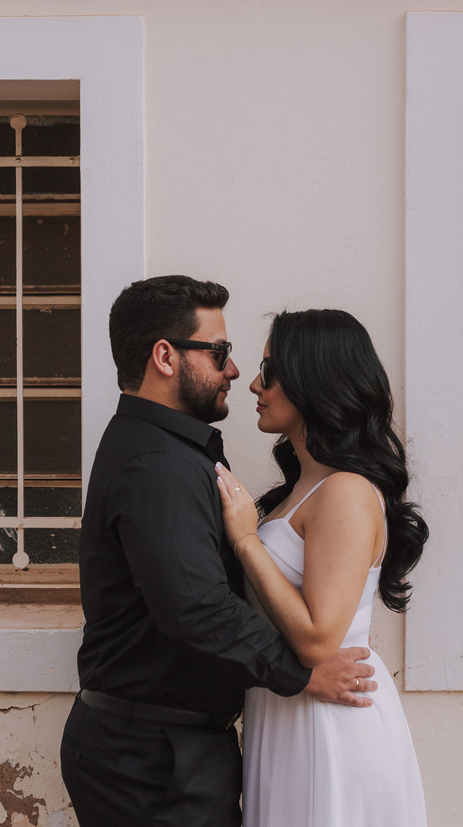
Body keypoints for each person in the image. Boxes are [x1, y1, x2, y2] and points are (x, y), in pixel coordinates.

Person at [61, 277, 379, 827]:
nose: (234, 372)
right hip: (153, 758)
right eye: (219, 352)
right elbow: (196, 607)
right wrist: (303, 676)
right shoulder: (159, 465)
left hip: (172, 747)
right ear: (166, 357)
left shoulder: (169, 451)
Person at [214, 308, 429, 827]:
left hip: (330, 725)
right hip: (289, 713)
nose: (254, 385)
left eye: (270, 371)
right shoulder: (303, 489)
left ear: (313, 379)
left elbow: (316, 640)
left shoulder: (346, 492)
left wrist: (245, 539)